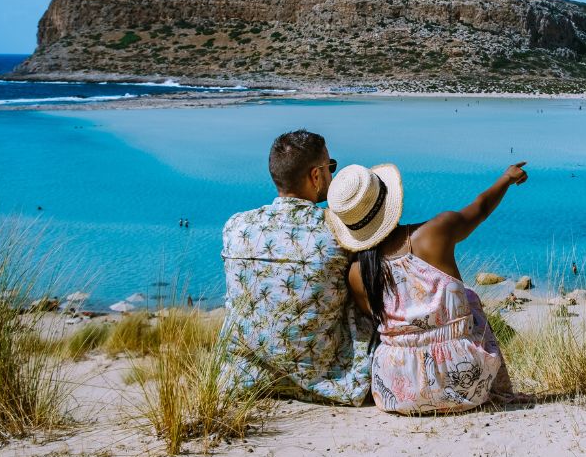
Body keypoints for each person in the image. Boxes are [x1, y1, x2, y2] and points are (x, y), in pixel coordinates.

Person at [325, 160, 527, 414]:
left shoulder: (356, 272)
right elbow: (481, 207)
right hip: (465, 383)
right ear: (389, 200)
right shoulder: (435, 232)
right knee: (469, 298)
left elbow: (374, 318)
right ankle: (497, 389)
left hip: (397, 391)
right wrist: (507, 178)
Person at [219, 130, 371, 405]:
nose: (332, 176)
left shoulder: (235, 227)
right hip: (326, 380)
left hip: (245, 378)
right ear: (315, 176)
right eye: (330, 168)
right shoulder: (337, 231)